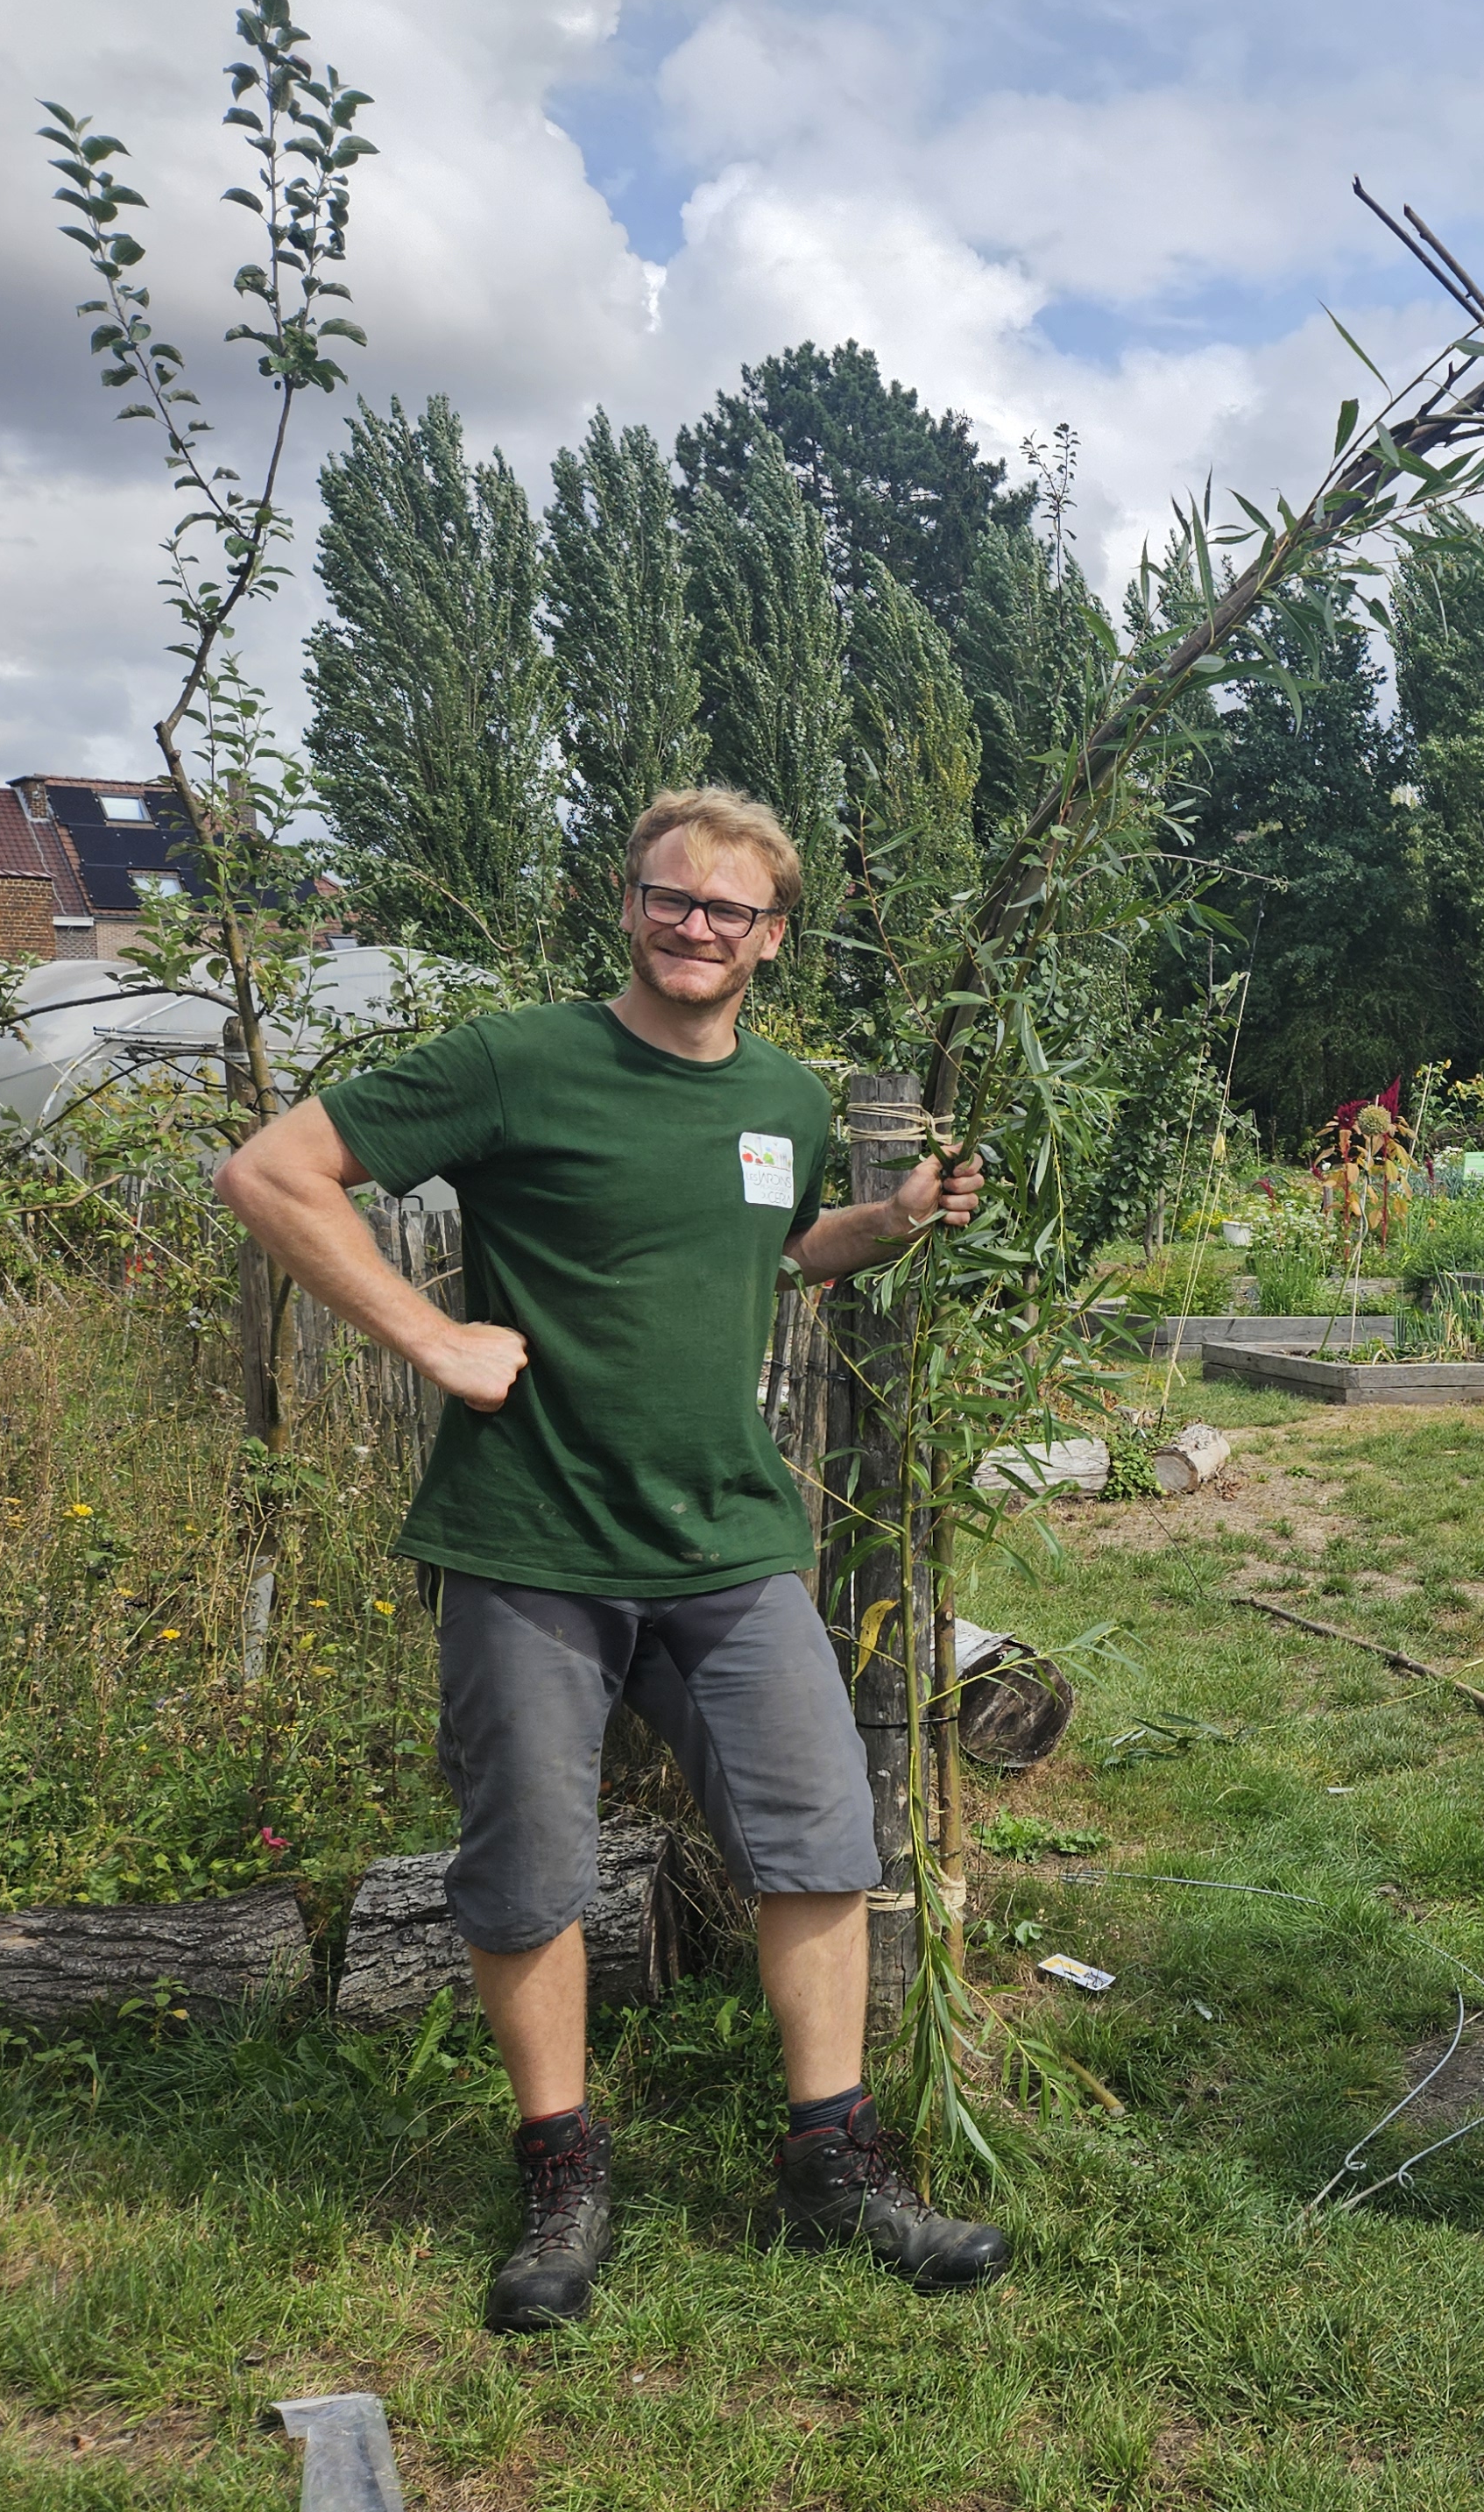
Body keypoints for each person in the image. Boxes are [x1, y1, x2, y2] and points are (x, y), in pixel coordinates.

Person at [216, 786, 1008, 2332]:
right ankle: (562, 2177)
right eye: (671, 897)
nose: (695, 925)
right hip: (531, 1539)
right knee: (530, 1872)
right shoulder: (520, 1061)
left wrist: (895, 1219)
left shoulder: (783, 1100)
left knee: (823, 1837)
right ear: (628, 904)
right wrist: (431, 1335)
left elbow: (777, 1251)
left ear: (772, 938)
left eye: (729, 909)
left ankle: (833, 2170)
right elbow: (271, 1172)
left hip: (728, 1541)